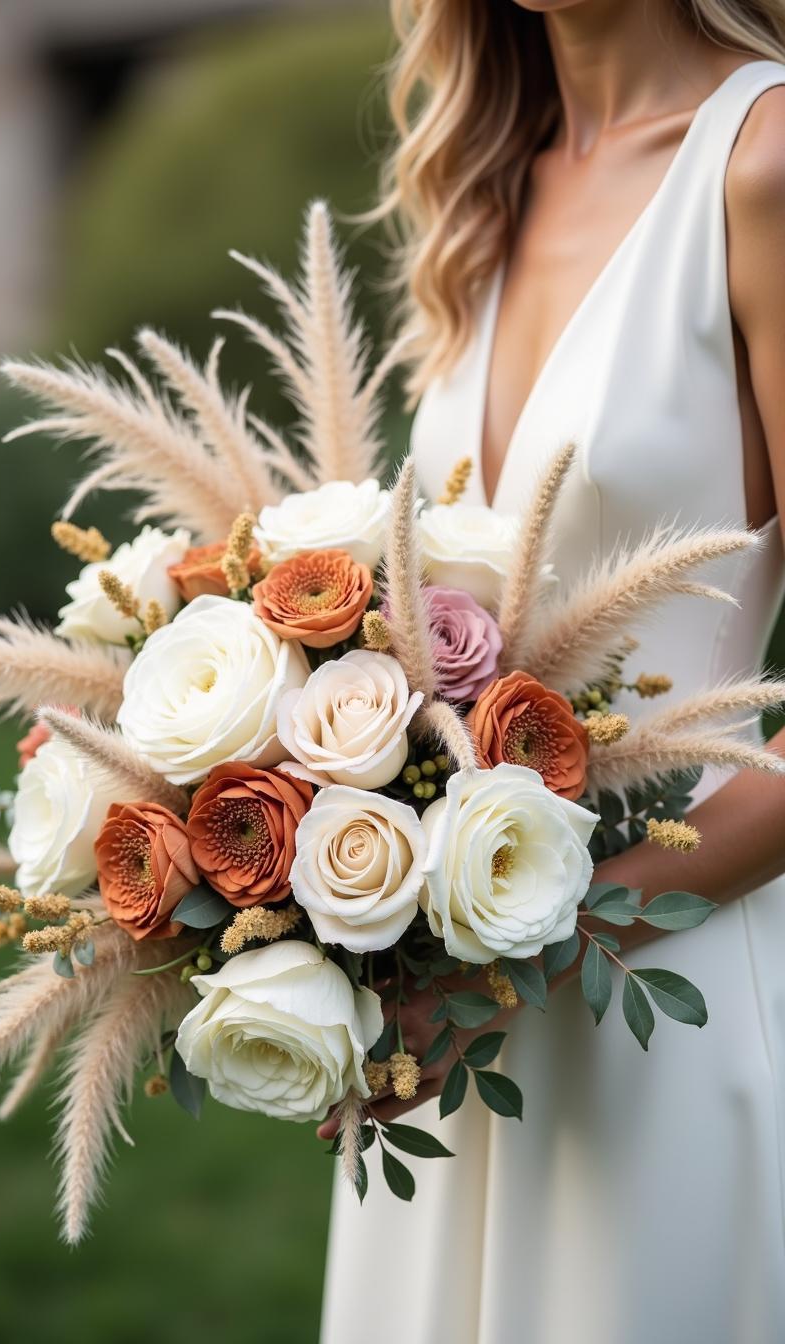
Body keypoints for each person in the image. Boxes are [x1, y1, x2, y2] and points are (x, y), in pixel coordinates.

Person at [318, 3, 785, 1342]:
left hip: (667, 1000)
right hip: (446, 1026)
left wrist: (531, 960)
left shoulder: (761, 163)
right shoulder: (483, 178)